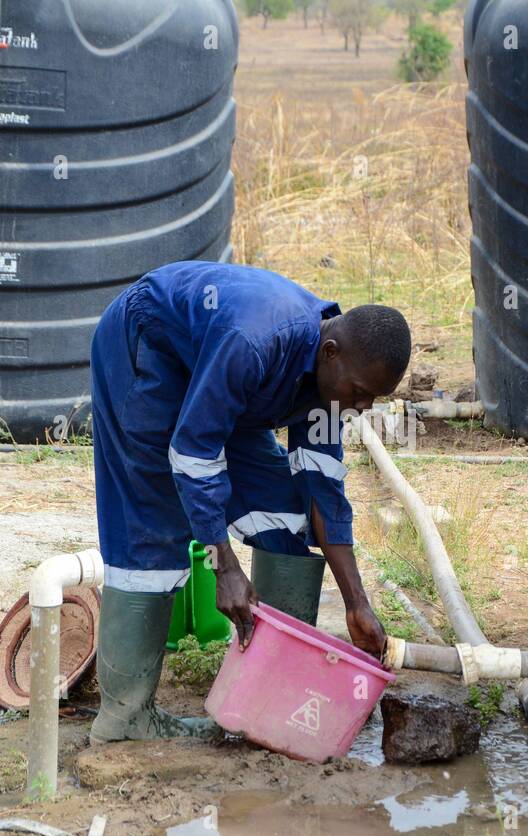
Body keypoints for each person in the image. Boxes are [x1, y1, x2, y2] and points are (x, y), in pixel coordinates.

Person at [88, 261, 412, 743]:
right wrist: (227, 570)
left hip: (217, 378)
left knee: (290, 510)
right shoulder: (255, 341)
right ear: (330, 353)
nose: (363, 407)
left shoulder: (332, 381)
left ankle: (270, 691)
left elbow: (323, 487)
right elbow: (193, 455)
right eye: (361, 394)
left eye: (374, 400)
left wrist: (356, 604)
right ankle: (125, 719)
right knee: (151, 521)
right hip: (148, 348)